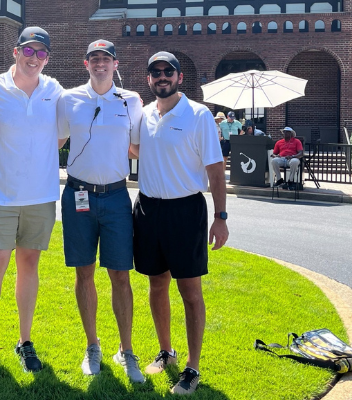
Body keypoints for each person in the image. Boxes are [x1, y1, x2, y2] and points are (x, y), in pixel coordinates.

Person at [0, 26, 64, 376]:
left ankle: (25, 342)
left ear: (47, 58)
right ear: (15, 52)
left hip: (41, 197)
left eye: (41, 53)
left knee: (29, 268)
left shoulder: (54, 90)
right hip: (0, 197)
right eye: (29, 51)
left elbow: (64, 131)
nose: (34, 58)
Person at [133, 52, 228, 396]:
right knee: (156, 283)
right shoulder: (143, 115)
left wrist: (220, 217)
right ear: (148, 79)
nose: (162, 76)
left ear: (179, 77)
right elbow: (133, 149)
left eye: (167, 71)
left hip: (186, 211)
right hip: (147, 209)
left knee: (190, 292)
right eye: (155, 72)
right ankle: (166, 351)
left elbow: (216, 170)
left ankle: (193, 366)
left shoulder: (199, 115)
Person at [55, 39, 145, 383]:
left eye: (105, 59)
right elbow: (56, 140)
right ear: (86, 64)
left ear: (115, 64)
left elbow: (137, 146)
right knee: (84, 273)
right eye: (94, 59)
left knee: (121, 275)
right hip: (78, 194)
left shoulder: (132, 100)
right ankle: (92, 346)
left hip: (117, 198)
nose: (100, 64)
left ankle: (126, 350)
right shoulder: (70, 99)